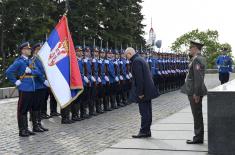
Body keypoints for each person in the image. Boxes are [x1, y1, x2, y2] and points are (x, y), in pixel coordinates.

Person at [6, 42, 44, 137]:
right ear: (23, 50)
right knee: (22, 110)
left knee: (27, 109)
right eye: (27, 49)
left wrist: (31, 71)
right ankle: (22, 130)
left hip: (32, 88)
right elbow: (9, 72)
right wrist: (15, 81)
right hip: (24, 88)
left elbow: (38, 72)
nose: (30, 50)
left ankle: (26, 129)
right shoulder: (19, 61)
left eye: (30, 48)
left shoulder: (29, 61)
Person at [125, 47, 159, 138]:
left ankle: (144, 131)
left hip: (143, 91)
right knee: (148, 111)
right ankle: (147, 130)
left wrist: (140, 93)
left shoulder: (136, 61)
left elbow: (139, 79)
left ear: (129, 53)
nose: (126, 58)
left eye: (126, 56)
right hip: (148, 90)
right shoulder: (140, 59)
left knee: (144, 112)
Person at [181, 40, 207, 144]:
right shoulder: (197, 58)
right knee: (197, 114)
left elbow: (198, 78)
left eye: (190, 48)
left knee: (197, 115)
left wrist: (196, 93)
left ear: (195, 48)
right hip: (193, 91)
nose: (189, 49)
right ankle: (198, 136)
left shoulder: (197, 60)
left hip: (194, 92)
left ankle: (198, 137)